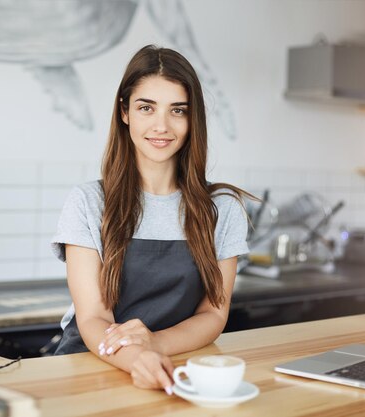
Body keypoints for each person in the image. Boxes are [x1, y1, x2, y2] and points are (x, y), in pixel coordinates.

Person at [51, 44, 254, 395]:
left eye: (178, 110)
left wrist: (154, 347)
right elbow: (93, 319)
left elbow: (213, 316)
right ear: (125, 112)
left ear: (193, 120)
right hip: (90, 368)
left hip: (170, 366)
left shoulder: (222, 209)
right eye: (147, 107)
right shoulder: (88, 201)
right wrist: (138, 359)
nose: (162, 126)